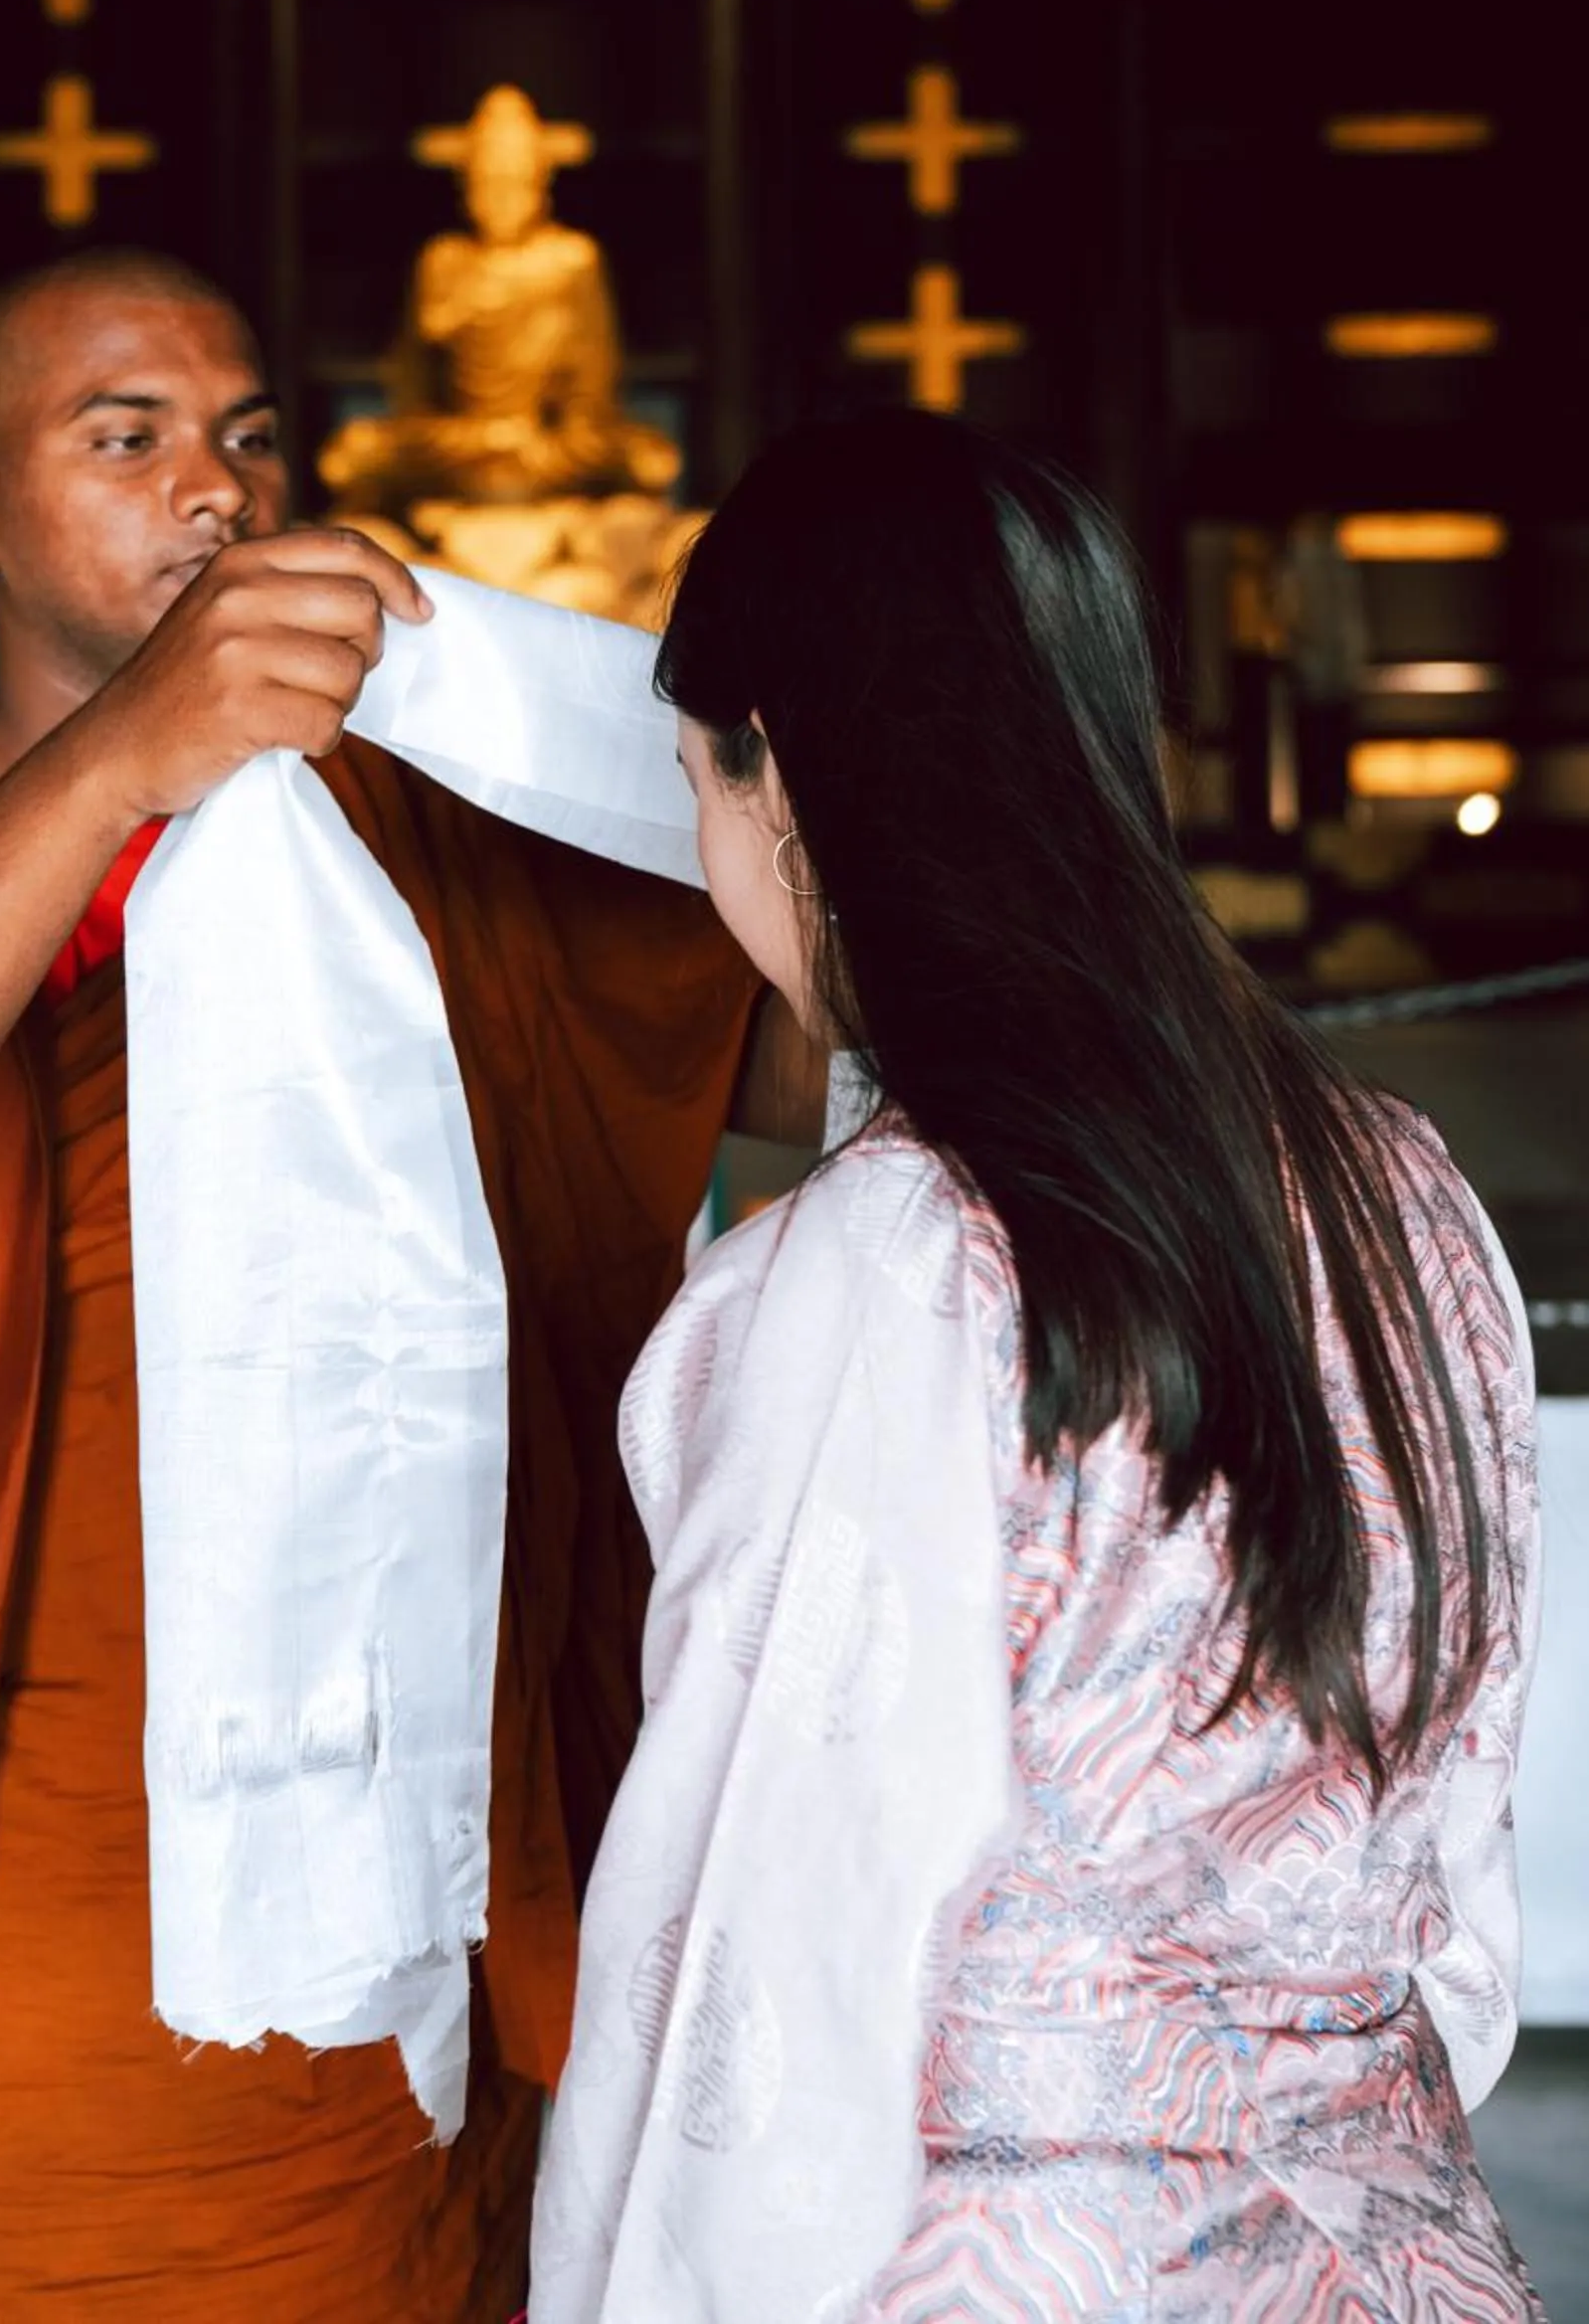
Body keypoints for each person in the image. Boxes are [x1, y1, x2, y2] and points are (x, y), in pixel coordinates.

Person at [0, 248, 791, 2321]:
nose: (215, 487)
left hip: (388, 1839)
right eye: (129, 438)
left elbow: (780, 1042)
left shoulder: (392, 819)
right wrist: (113, 768)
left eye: (250, 437)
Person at [531, 410, 1542, 2322]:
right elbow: (1457, 1842)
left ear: (786, 786)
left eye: (696, 783)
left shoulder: (896, 1262)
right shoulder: (1401, 1181)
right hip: (1391, 2237)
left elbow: (765, 1933)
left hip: (1009, 2262)